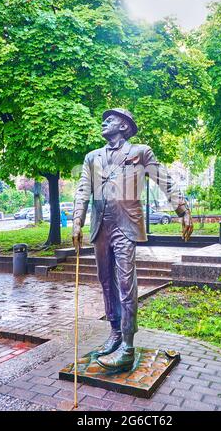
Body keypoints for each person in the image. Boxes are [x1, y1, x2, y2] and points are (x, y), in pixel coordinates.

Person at [73, 108, 193, 372]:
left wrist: (183, 210)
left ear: (125, 127)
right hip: (100, 227)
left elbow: (165, 180)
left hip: (125, 225)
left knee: (126, 283)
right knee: (106, 281)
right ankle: (114, 333)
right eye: (104, 119)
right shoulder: (92, 157)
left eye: (111, 119)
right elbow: (83, 190)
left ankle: (128, 346)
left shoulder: (141, 152)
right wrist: (77, 221)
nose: (105, 122)